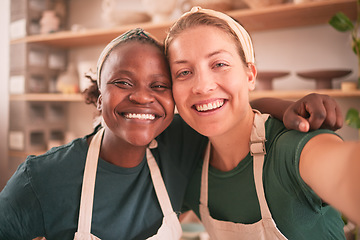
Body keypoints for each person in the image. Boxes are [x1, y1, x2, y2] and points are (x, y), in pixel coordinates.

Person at [0, 28, 343, 240]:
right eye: (122, 82)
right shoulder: (42, 177)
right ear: (99, 93)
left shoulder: (179, 144)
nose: (142, 96)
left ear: (174, 100)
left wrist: (287, 108)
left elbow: (233, 110)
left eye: (160, 85)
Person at [164, 7, 360, 239]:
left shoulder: (292, 148)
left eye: (219, 64)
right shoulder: (190, 165)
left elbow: (345, 169)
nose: (202, 86)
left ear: (250, 75)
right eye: (184, 72)